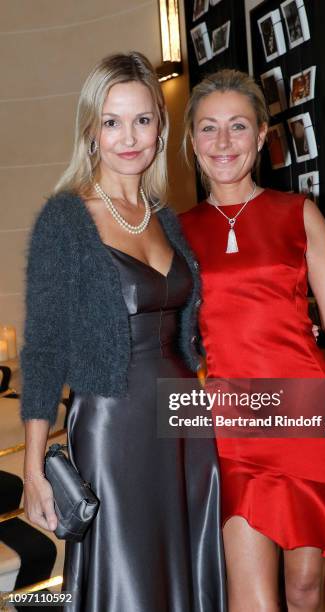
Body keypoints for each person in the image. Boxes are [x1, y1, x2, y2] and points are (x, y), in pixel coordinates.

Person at [179, 69, 325, 612]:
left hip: (306, 415)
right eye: (208, 129)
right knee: (253, 599)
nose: (223, 142)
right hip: (231, 424)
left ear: (261, 136)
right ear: (192, 142)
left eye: (237, 126)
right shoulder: (174, 230)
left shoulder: (297, 214)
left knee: (305, 589)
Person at [21, 52, 226, 612]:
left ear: (161, 128)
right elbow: (43, 349)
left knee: (183, 571)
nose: (129, 137)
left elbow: (190, 327)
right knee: (130, 580)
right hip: (113, 426)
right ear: (91, 132)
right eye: (112, 122)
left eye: (142, 120)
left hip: (185, 421)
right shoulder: (66, 219)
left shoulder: (165, 219)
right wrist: (34, 468)